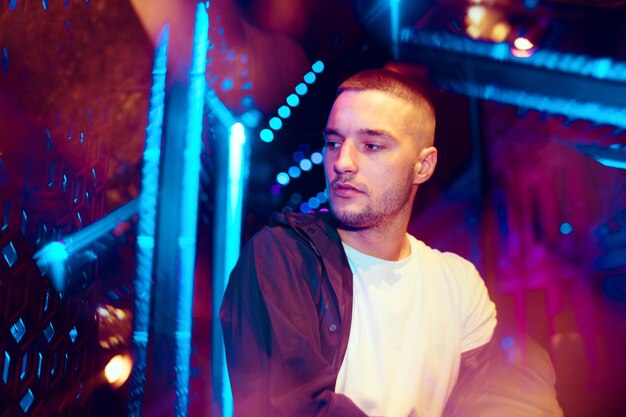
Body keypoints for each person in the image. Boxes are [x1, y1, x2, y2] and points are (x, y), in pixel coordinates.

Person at [220, 68, 562, 417]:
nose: (342, 162)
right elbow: (292, 410)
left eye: (371, 145)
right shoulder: (283, 258)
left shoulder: (456, 282)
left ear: (423, 165)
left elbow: (510, 390)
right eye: (334, 142)